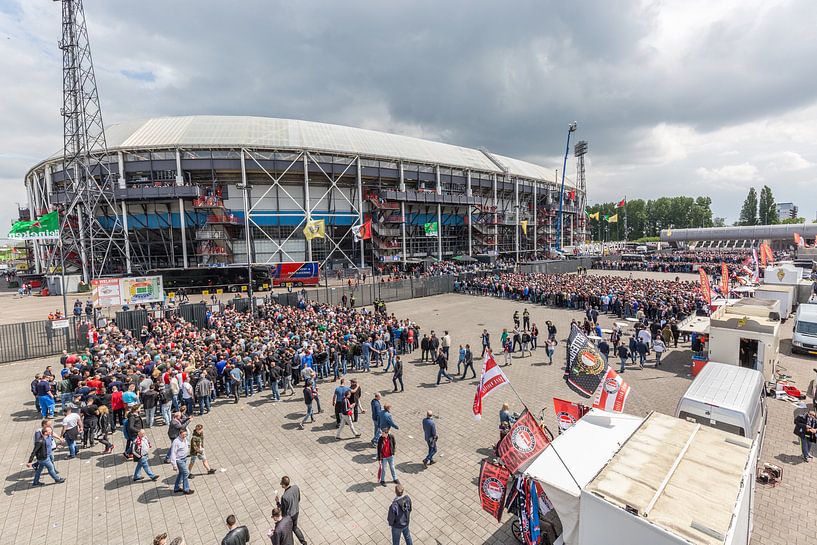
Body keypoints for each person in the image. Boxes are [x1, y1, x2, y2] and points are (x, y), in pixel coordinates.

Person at [276, 476, 308, 545]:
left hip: (289, 516)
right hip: (296, 511)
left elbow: (283, 510)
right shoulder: (296, 487)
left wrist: (278, 502)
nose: (281, 485)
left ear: (284, 485)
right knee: (295, 527)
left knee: (289, 531)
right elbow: (299, 499)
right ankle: (303, 542)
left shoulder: (284, 497)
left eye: (281, 484)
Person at [169, 428, 194, 494]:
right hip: (179, 460)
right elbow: (173, 454)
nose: (185, 436)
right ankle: (186, 489)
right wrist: (174, 465)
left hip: (184, 458)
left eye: (185, 434)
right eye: (183, 435)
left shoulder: (184, 439)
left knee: (181, 473)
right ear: (179, 434)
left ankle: (176, 488)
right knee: (186, 473)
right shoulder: (176, 442)